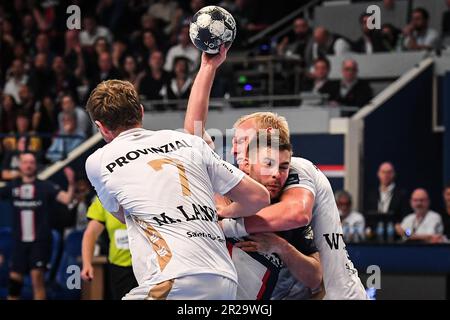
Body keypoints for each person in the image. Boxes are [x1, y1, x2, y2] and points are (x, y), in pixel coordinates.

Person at [184, 46, 367, 300]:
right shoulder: (238, 180)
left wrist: (228, 224)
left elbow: (296, 214)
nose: (235, 149)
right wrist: (207, 67)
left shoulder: (297, 169)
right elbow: (194, 135)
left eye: (241, 141)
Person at [84, 79, 269, 300]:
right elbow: (258, 197)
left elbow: (123, 216)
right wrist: (219, 213)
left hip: (173, 277)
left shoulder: (99, 161)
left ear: (101, 127)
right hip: (224, 278)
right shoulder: (189, 142)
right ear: (141, 112)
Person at [0, 153, 75, 300]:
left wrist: (71, 184)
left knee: (37, 279)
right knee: (14, 281)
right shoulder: (12, 186)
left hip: (39, 242)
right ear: (20, 166)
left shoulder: (45, 186)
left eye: (31, 162)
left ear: (35, 166)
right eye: (25, 162)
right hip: (19, 242)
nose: (28, 165)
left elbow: (66, 199)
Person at [81, 197, 138, 300]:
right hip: (120, 266)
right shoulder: (105, 198)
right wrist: (87, 263)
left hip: (149, 265)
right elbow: (91, 233)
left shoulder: (144, 193)